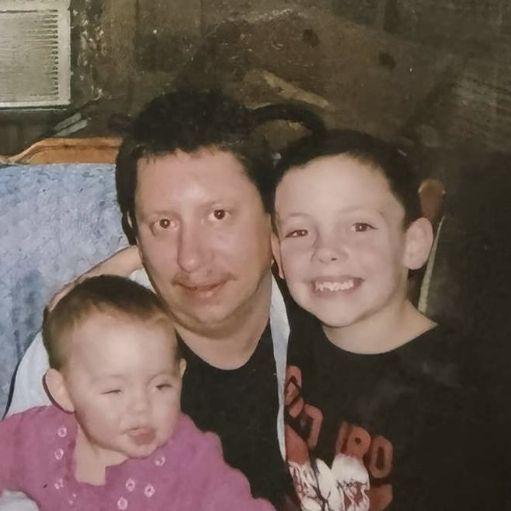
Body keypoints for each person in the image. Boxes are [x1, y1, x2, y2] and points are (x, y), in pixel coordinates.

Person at [5, 90, 311, 510]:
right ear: (134, 229)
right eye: (164, 224)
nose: (191, 258)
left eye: (218, 215)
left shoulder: (326, 309)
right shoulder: (84, 344)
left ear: (270, 214)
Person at [269, 130, 502, 510]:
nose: (326, 251)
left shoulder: (458, 398)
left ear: (414, 244)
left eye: (359, 226)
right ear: (277, 253)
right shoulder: (291, 329)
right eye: (299, 231)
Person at [0, 275, 274, 511]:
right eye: (114, 391)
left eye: (161, 386)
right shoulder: (40, 437)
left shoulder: (188, 460)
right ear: (63, 391)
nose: (142, 407)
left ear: (179, 375)